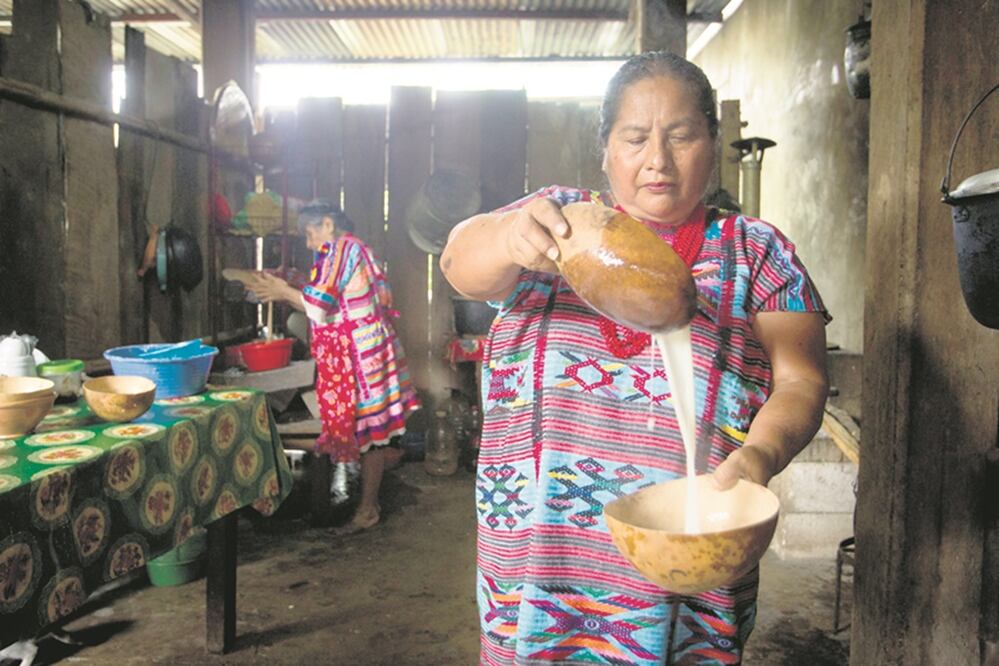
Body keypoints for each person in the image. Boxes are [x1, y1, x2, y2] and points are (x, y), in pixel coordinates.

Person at [440, 51, 829, 664]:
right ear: (605, 149)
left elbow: (802, 379)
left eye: (681, 136)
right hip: (543, 559)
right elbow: (460, 262)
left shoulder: (758, 254)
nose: (658, 160)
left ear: (712, 141)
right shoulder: (559, 224)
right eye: (635, 138)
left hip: (691, 552)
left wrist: (760, 454)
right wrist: (510, 235)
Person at [247, 201, 420, 532]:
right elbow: (323, 292)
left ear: (327, 224)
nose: (309, 243)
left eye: (309, 234)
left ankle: (368, 509)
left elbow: (318, 304)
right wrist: (288, 282)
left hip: (362, 352)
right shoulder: (345, 252)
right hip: (363, 349)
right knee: (366, 430)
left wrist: (282, 290)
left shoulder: (343, 247)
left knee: (370, 432)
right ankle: (364, 504)